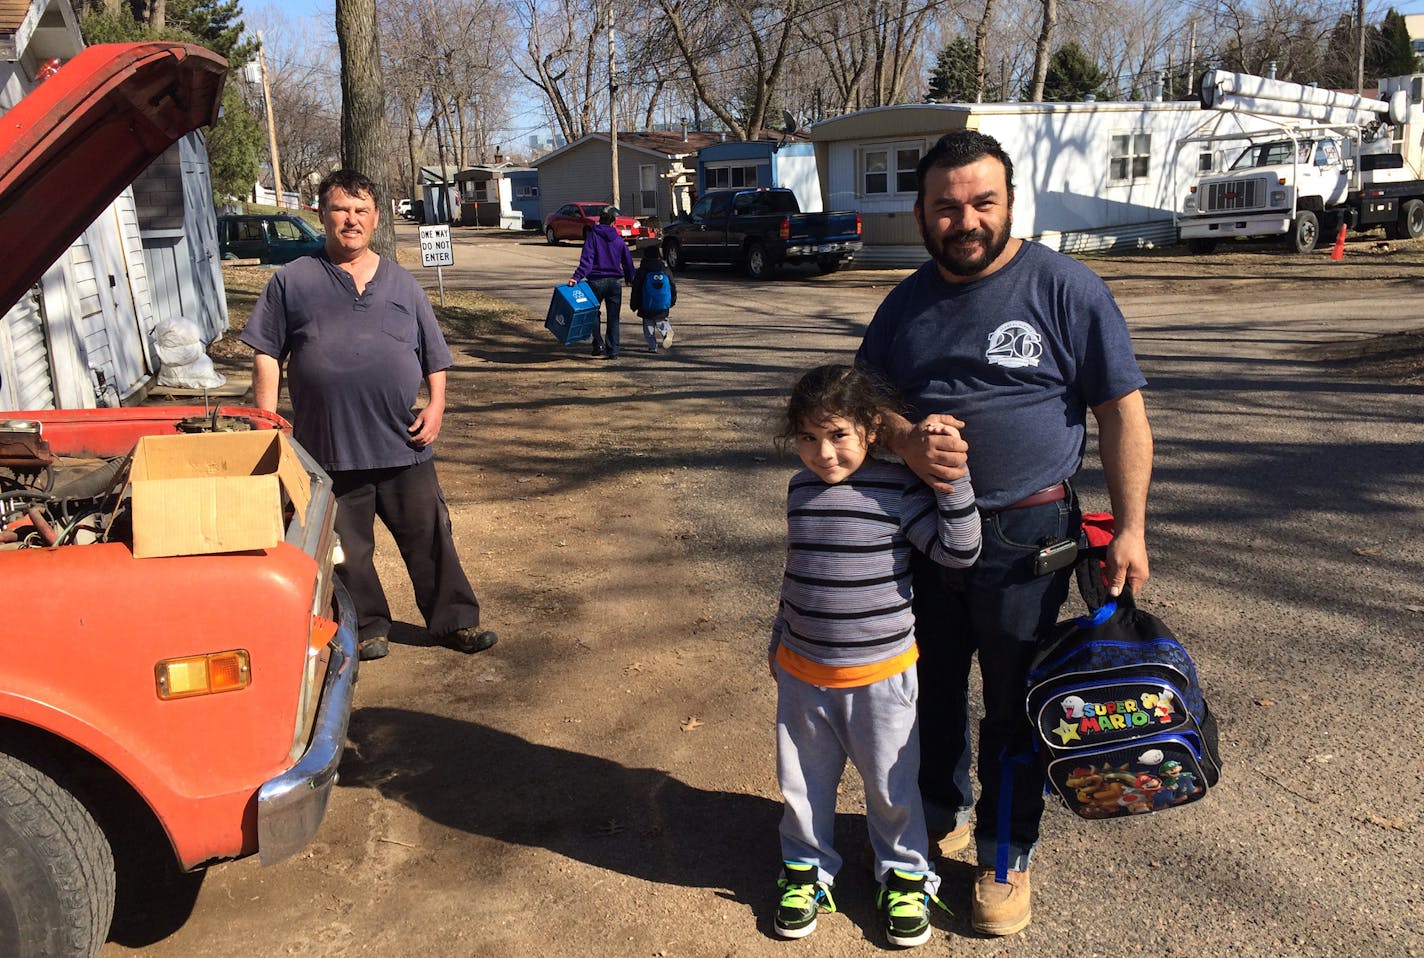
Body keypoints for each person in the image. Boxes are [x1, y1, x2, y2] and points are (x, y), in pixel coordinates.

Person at [855, 129, 1152, 937]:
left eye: (982, 202)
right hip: (921, 534)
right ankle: (934, 816)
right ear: (920, 213)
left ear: (1010, 202)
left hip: (1027, 537)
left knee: (1018, 703)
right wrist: (904, 438)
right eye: (947, 206)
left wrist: (1130, 528)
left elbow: (1122, 411)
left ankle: (1004, 850)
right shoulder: (903, 304)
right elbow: (862, 410)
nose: (966, 220)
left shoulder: (1065, 288)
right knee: (927, 691)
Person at [240, 168, 498, 663]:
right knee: (348, 551)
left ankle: (455, 621)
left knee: (429, 536)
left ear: (376, 218)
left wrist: (437, 405)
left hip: (403, 443)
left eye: (361, 211)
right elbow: (266, 353)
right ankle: (369, 627)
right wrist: (266, 424)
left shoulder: (402, 283)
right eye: (341, 209)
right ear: (322, 214)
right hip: (330, 447)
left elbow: (434, 354)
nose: (351, 220)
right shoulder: (292, 281)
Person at [768, 364, 982, 947]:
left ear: (869, 429)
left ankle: (907, 874)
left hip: (882, 674)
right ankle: (806, 868)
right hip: (802, 671)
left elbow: (957, 552)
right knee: (802, 783)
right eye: (808, 438)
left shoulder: (897, 487)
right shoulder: (799, 488)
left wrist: (951, 481)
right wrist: (779, 637)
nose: (823, 453)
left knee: (892, 787)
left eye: (837, 434)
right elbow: (799, 573)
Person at [568, 207, 635, 358]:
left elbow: (587, 260)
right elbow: (627, 262)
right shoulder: (618, 240)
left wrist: (576, 277)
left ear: (599, 221)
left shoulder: (592, 237)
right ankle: (613, 350)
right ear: (613, 223)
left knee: (592, 313)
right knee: (613, 317)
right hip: (614, 283)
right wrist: (631, 278)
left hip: (595, 281)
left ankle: (598, 343)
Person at [629, 240, 676, 352]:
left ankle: (652, 346)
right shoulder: (665, 270)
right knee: (661, 321)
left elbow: (636, 289)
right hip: (662, 304)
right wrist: (672, 301)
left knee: (648, 327)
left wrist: (634, 305)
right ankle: (666, 332)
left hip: (646, 305)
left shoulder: (642, 271)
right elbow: (672, 287)